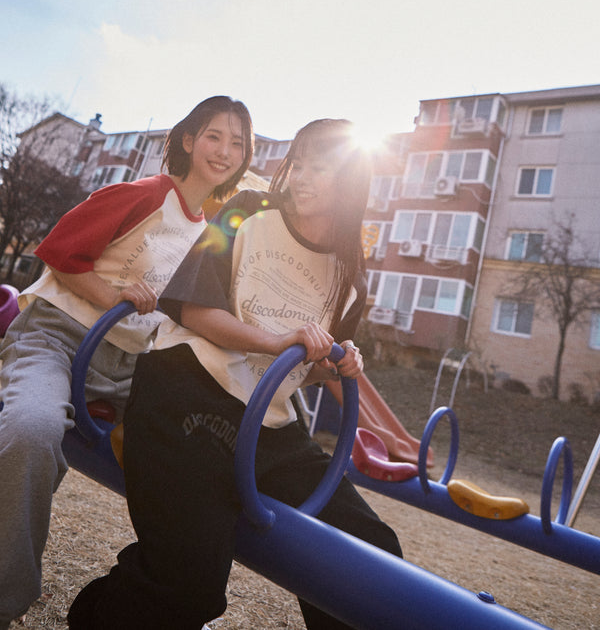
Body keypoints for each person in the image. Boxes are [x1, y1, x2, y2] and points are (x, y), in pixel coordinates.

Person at [68, 118, 402, 630]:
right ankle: (99, 614)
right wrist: (275, 340)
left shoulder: (349, 275)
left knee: (373, 554)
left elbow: (300, 373)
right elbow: (193, 310)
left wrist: (335, 363)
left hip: (270, 424)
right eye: (300, 164)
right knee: (189, 587)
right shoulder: (249, 212)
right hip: (189, 394)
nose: (302, 178)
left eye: (321, 168)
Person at [0, 95, 254, 630]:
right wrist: (116, 294)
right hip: (60, 335)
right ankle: (5, 594)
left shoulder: (212, 234)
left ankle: (166, 596)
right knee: (33, 426)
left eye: (238, 142)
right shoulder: (142, 194)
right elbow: (61, 252)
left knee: (201, 451)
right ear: (188, 140)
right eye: (214, 136)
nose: (224, 150)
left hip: (131, 364)